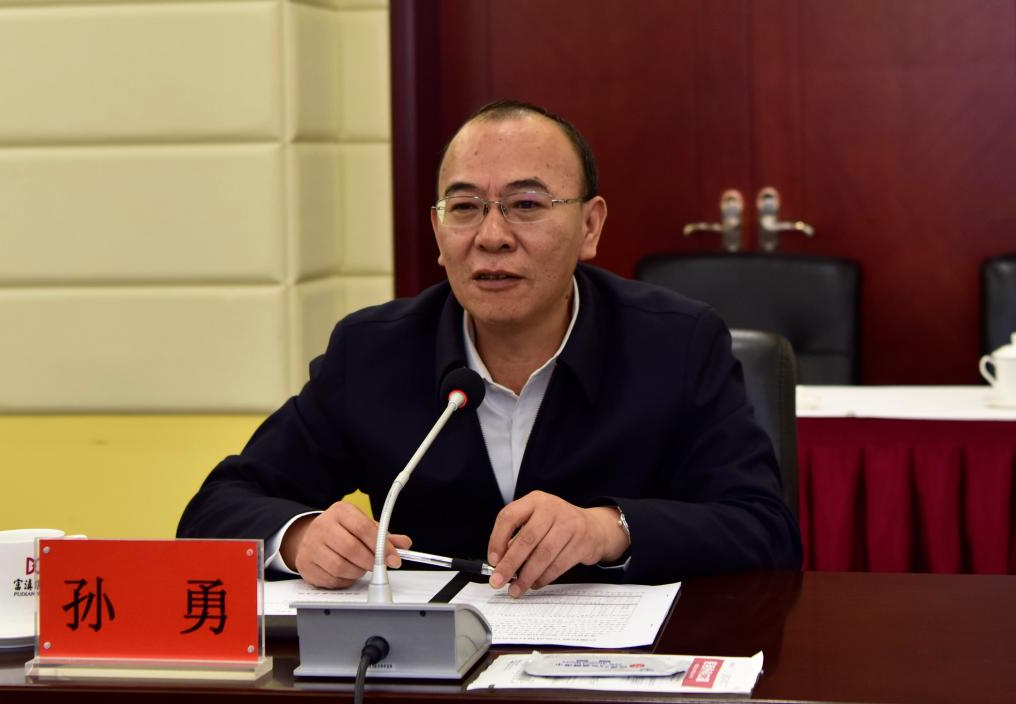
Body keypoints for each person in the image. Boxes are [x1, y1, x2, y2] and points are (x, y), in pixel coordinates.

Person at [178, 100, 802, 597]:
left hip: (619, 677)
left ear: (589, 226)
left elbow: (765, 531)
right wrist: (298, 538)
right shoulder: (372, 352)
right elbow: (217, 508)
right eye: (466, 207)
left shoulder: (675, 342)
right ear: (437, 231)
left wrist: (606, 529)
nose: (492, 236)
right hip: (427, 678)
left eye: (526, 205)